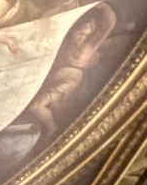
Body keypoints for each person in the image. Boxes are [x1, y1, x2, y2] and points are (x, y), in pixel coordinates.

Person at [27, 9, 115, 140]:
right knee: (38, 105)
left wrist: (104, 6)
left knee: (36, 107)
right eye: (80, 32)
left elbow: (108, 25)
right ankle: (49, 128)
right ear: (72, 30)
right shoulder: (65, 43)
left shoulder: (89, 45)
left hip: (71, 80)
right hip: (54, 77)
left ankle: (52, 129)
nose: (82, 37)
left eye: (86, 34)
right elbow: (47, 22)